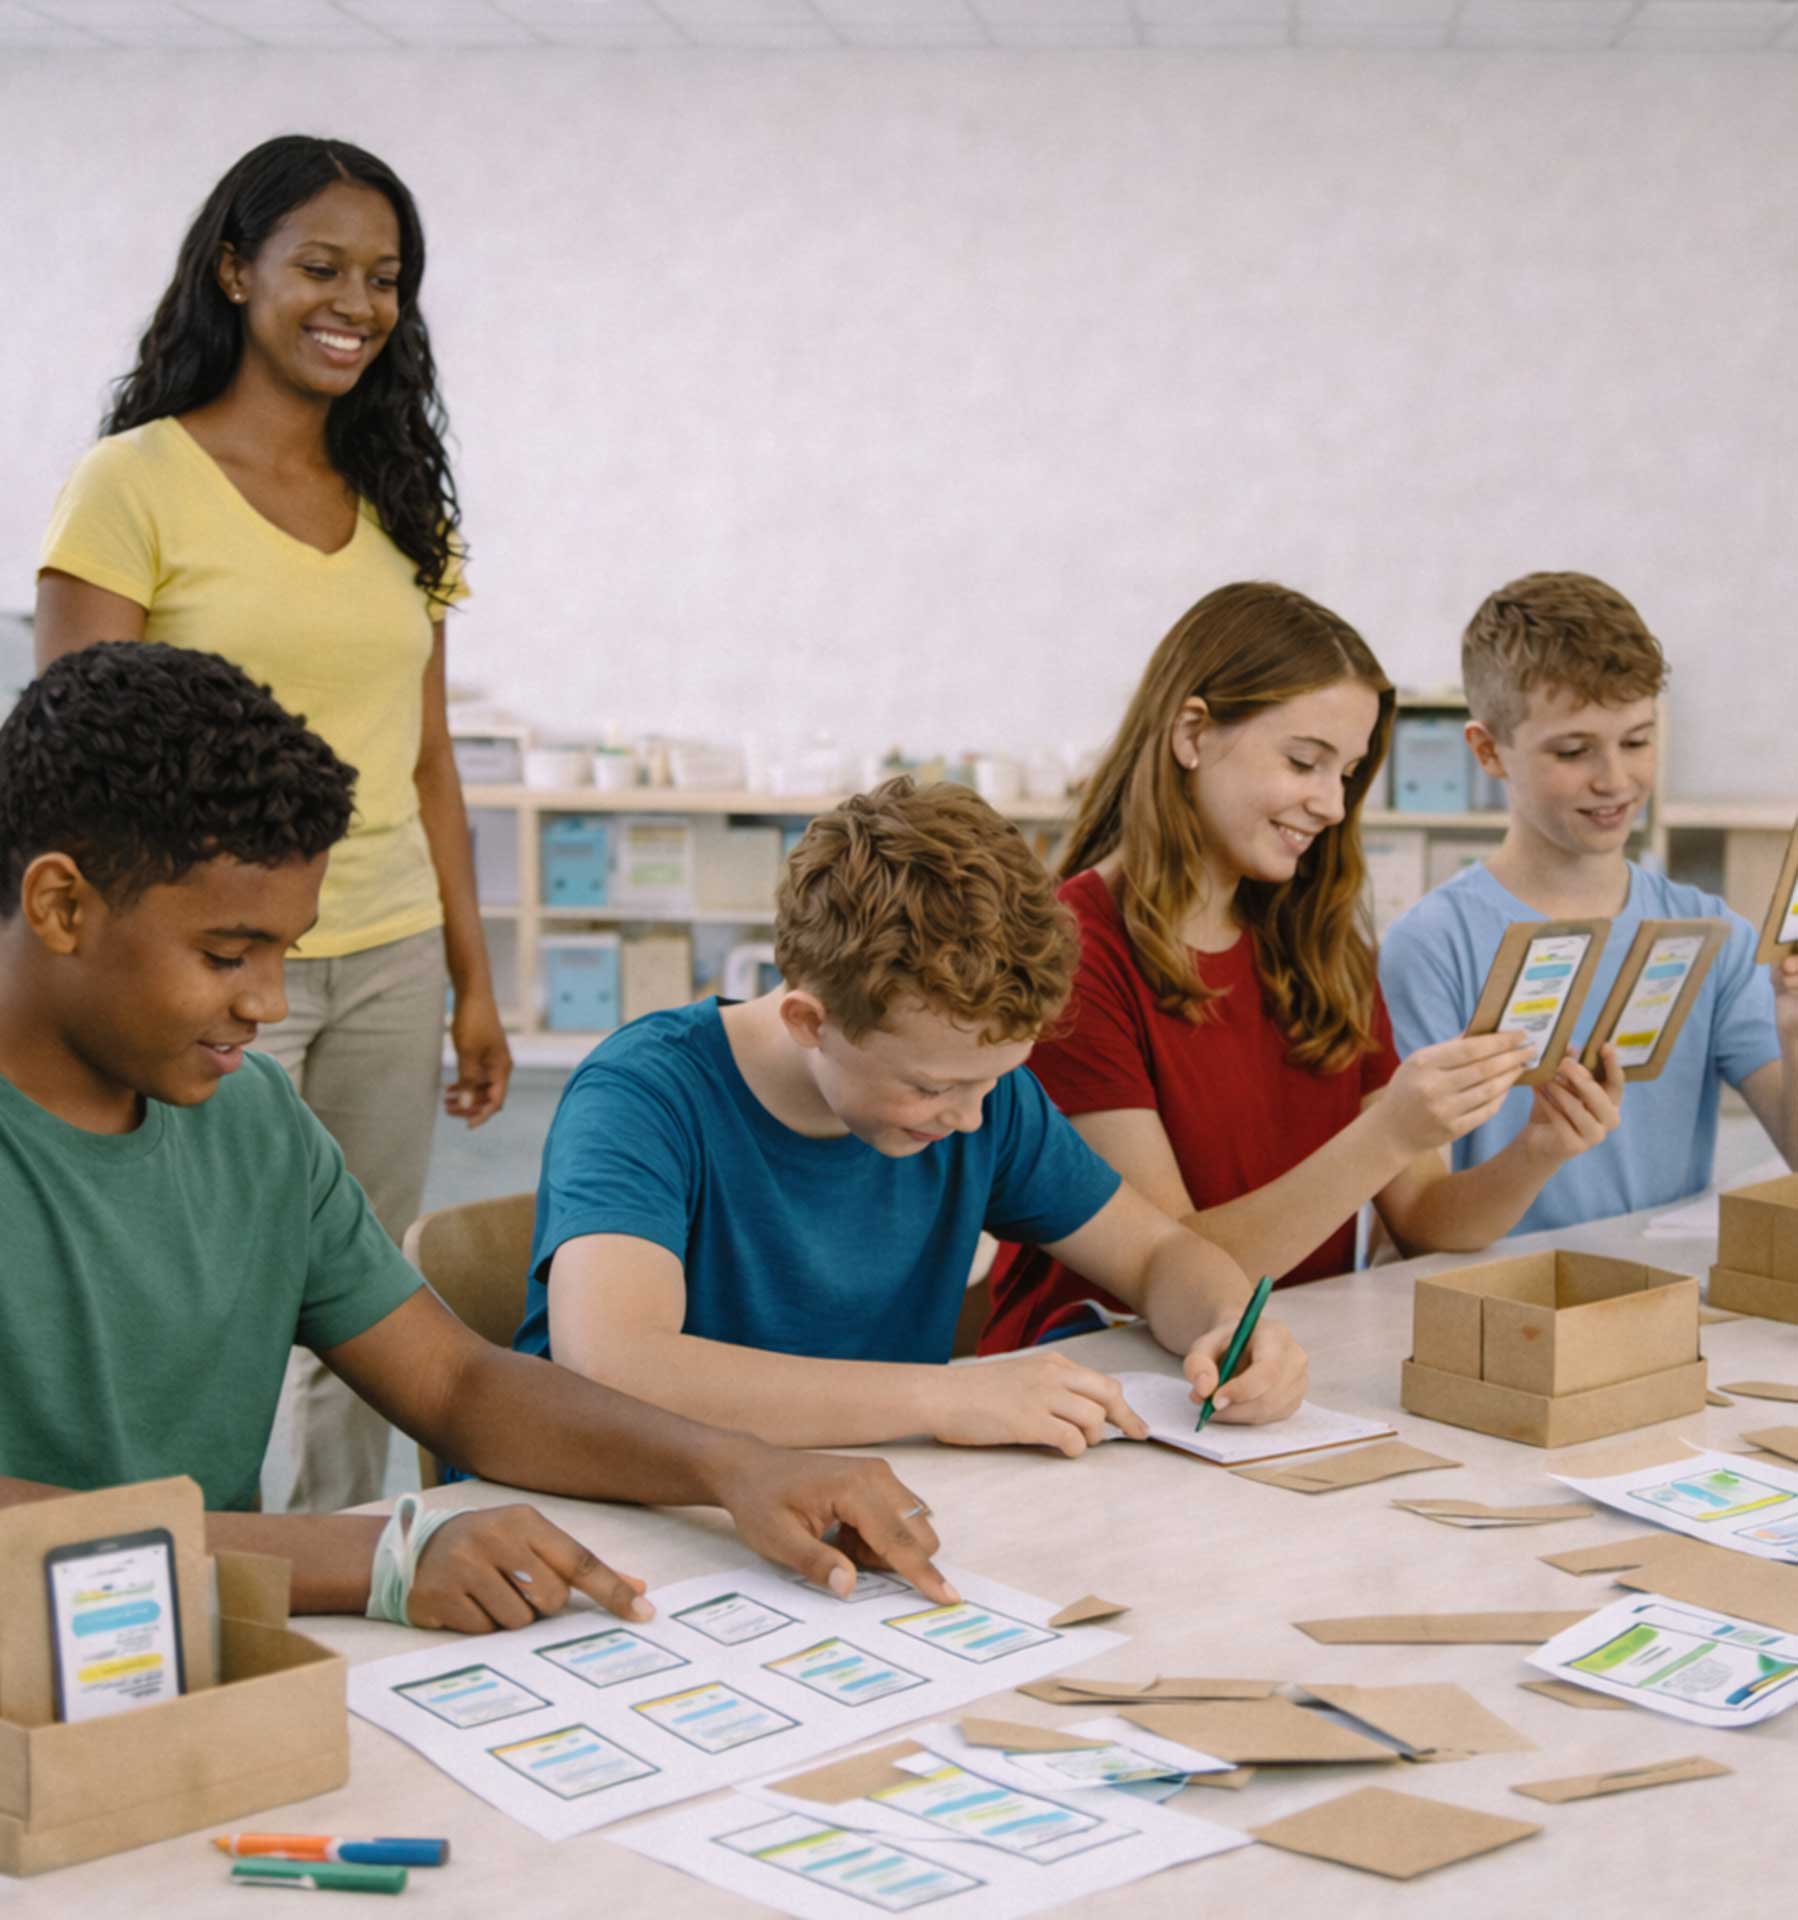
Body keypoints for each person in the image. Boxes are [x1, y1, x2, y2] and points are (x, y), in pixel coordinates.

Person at [0, 644, 950, 1633]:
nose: (269, 1002)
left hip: (192, 1659)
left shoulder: (252, 1115)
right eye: (226, 954)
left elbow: (454, 1382)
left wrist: (731, 1467)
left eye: (287, 951)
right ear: (61, 906)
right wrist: (365, 1556)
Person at [35, 135, 512, 1511]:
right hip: (203, 960)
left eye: (385, 278)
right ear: (236, 271)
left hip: (387, 951)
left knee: (364, 1296)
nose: (357, 303)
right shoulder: (133, 482)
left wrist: (473, 977)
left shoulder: (405, 503)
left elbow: (428, 761)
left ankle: (347, 1559)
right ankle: (183, 1561)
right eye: (322, 267)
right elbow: (74, 756)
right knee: (198, 1286)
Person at [517, 777, 1310, 1450]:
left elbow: (1158, 1254)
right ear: (810, 1022)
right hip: (620, 1510)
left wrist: (1226, 1324)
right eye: (931, 1087)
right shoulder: (643, 1097)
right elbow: (616, 1363)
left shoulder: (979, 1091)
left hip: (843, 1496)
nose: (969, 1120)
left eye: (993, 1082)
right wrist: (943, 1397)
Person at [978, 582, 1627, 1353]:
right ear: (1191, 733)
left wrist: (1538, 1151)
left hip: (1271, 1367)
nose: (1331, 804)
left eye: (1346, 773)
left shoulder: (1319, 944)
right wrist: (1388, 1134)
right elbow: (1167, 1269)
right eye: (1304, 762)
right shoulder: (1077, 950)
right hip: (1097, 1369)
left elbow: (1423, 1221)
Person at [1379, 571, 1797, 1228]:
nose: (1615, 779)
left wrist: (1793, 1029)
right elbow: (1417, 1226)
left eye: (1637, 740)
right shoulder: (1431, 946)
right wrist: (1536, 1154)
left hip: (1657, 1287)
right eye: (1574, 751)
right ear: (1488, 751)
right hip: (1488, 1289)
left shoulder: (1711, 932)